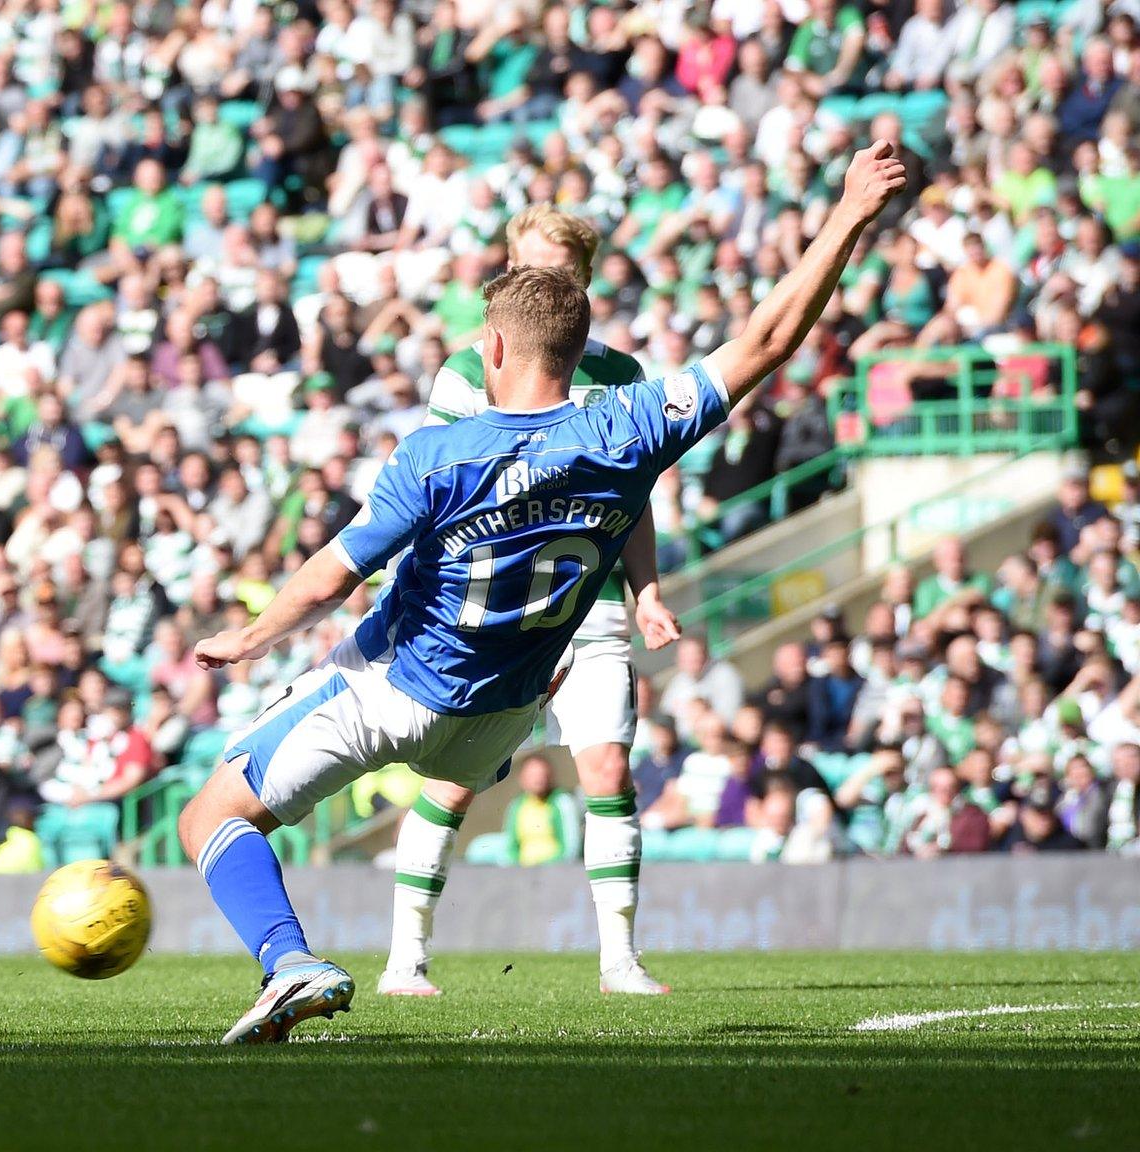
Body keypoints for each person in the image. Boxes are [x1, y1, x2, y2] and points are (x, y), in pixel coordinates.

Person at [175, 143, 906, 1043]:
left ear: (491, 345)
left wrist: (250, 639)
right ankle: (472, 955)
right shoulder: (631, 425)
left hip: (397, 689)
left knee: (209, 816)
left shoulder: (436, 452)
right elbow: (767, 339)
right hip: (506, 714)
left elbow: (335, 573)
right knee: (479, 774)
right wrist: (848, 216)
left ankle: (292, 963)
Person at [382, 205, 683, 999]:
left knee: (609, 767)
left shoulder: (620, 377)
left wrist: (646, 590)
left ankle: (620, 958)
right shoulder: (464, 372)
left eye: (556, 273)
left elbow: (636, 495)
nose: (540, 283)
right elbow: (436, 492)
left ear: (583, 283)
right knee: (453, 781)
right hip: (492, 613)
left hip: (587, 603)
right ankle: (405, 957)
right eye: (527, 269)